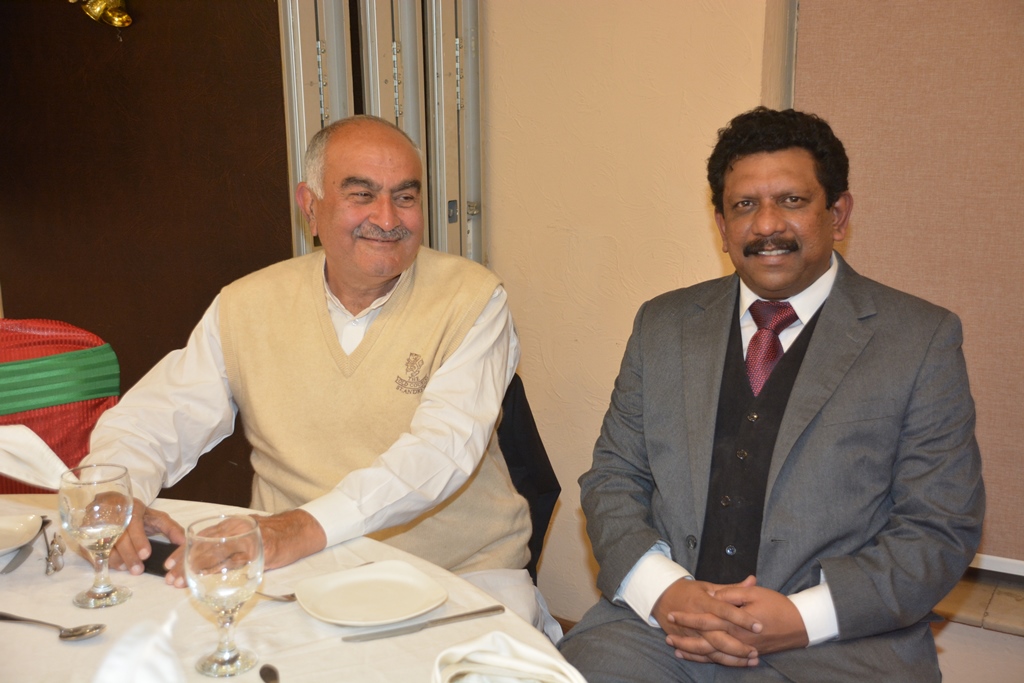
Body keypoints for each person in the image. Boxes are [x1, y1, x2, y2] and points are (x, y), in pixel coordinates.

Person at [83, 115, 559, 639]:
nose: (387, 218)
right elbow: (154, 420)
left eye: (405, 197)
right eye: (362, 195)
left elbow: (440, 452)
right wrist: (116, 491)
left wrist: (299, 528)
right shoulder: (246, 304)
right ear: (310, 206)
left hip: (461, 573)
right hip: (296, 572)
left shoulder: (473, 299)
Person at [559, 107, 984, 681]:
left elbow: (938, 526)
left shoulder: (919, 340)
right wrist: (665, 592)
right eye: (744, 205)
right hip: (660, 633)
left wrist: (802, 617)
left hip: (835, 646)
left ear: (838, 214)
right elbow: (613, 478)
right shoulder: (662, 325)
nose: (766, 226)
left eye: (791, 200)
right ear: (721, 223)